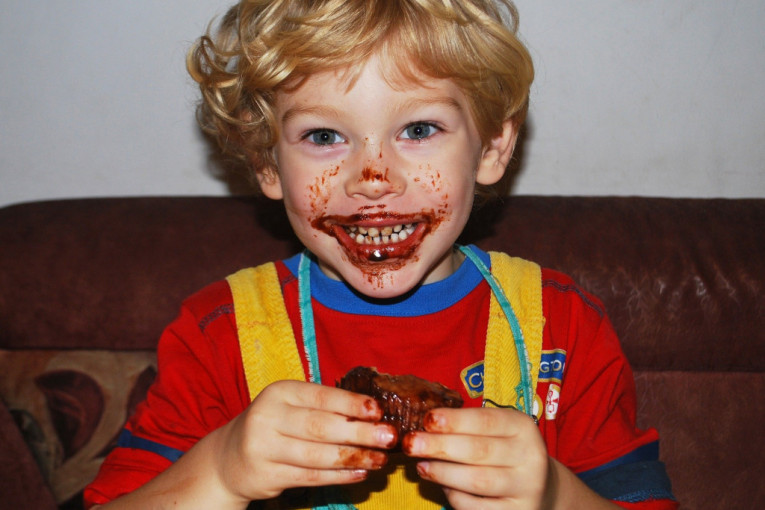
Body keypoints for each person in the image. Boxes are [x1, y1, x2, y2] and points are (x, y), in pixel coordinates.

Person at [84, 1, 677, 508]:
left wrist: (556, 497)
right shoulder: (219, 335)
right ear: (267, 162)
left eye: (418, 130)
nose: (373, 178)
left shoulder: (563, 326)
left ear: (493, 146)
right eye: (324, 136)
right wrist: (220, 471)